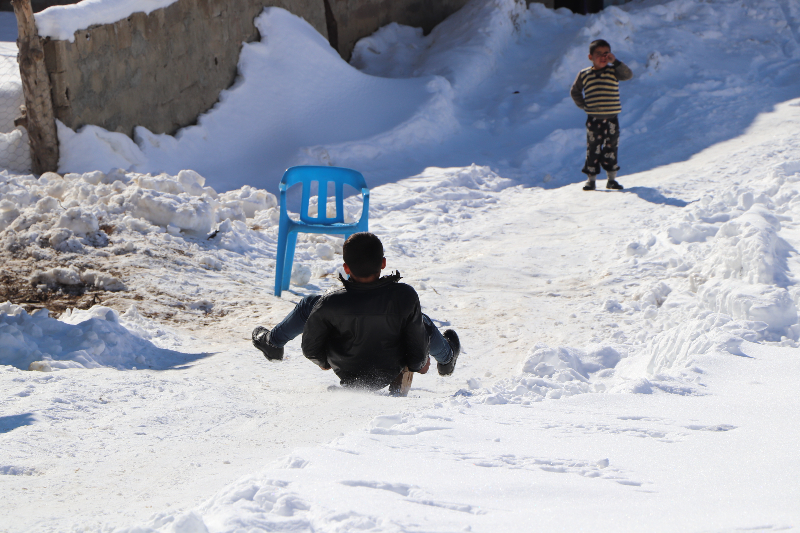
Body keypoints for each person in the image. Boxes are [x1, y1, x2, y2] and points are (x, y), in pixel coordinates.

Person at [252, 232, 460, 395]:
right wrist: (417, 363)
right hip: (391, 367)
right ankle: (447, 359)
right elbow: (416, 347)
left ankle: (273, 343)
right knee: (421, 321)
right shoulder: (405, 295)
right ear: (383, 264)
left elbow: (311, 350)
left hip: (346, 369)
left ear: (346, 268)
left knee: (311, 304)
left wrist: (326, 362)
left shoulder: (330, 302)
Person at [570, 39, 633, 191]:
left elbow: (628, 75)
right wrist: (584, 105)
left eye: (606, 53)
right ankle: (591, 180)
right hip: (594, 120)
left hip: (612, 119)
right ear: (590, 57)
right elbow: (575, 91)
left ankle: (611, 180)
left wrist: (616, 62)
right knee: (593, 148)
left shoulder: (613, 71)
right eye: (598, 54)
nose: (603, 57)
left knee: (611, 147)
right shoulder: (584, 74)